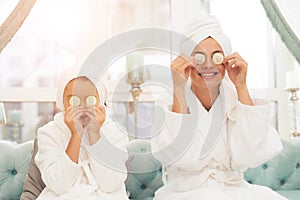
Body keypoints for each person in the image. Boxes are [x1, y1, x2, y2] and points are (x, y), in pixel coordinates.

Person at [151, 14, 286, 199]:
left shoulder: (236, 98)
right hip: (185, 192)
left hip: (233, 189)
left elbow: (252, 154)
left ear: (225, 61)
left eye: (216, 57)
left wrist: (241, 85)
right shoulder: (168, 100)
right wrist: (178, 88)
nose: (207, 65)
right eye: (199, 57)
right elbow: (178, 156)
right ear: (186, 63)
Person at [34, 67, 129, 200]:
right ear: (62, 102)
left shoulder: (115, 132)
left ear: (100, 101)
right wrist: (75, 135)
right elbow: (59, 186)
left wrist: (94, 134)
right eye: (74, 100)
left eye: (90, 100)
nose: (83, 107)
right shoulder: (49, 133)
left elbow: (110, 184)